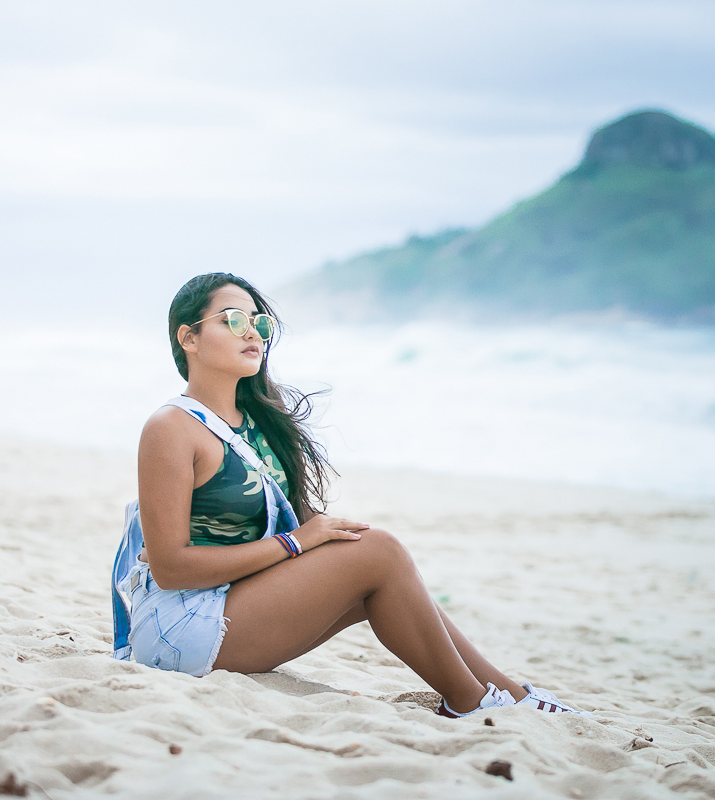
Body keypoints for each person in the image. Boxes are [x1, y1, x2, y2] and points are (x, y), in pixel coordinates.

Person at [117, 273, 586, 719]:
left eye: (261, 323)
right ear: (189, 338)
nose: (254, 333)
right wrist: (296, 544)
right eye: (234, 320)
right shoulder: (171, 428)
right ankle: (471, 701)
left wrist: (321, 539)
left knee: (377, 569)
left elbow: (301, 523)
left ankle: (505, 694)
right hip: (178, 629)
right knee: (379, 553)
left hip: (231, 604)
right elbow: (172, 568)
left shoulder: (260, 423)